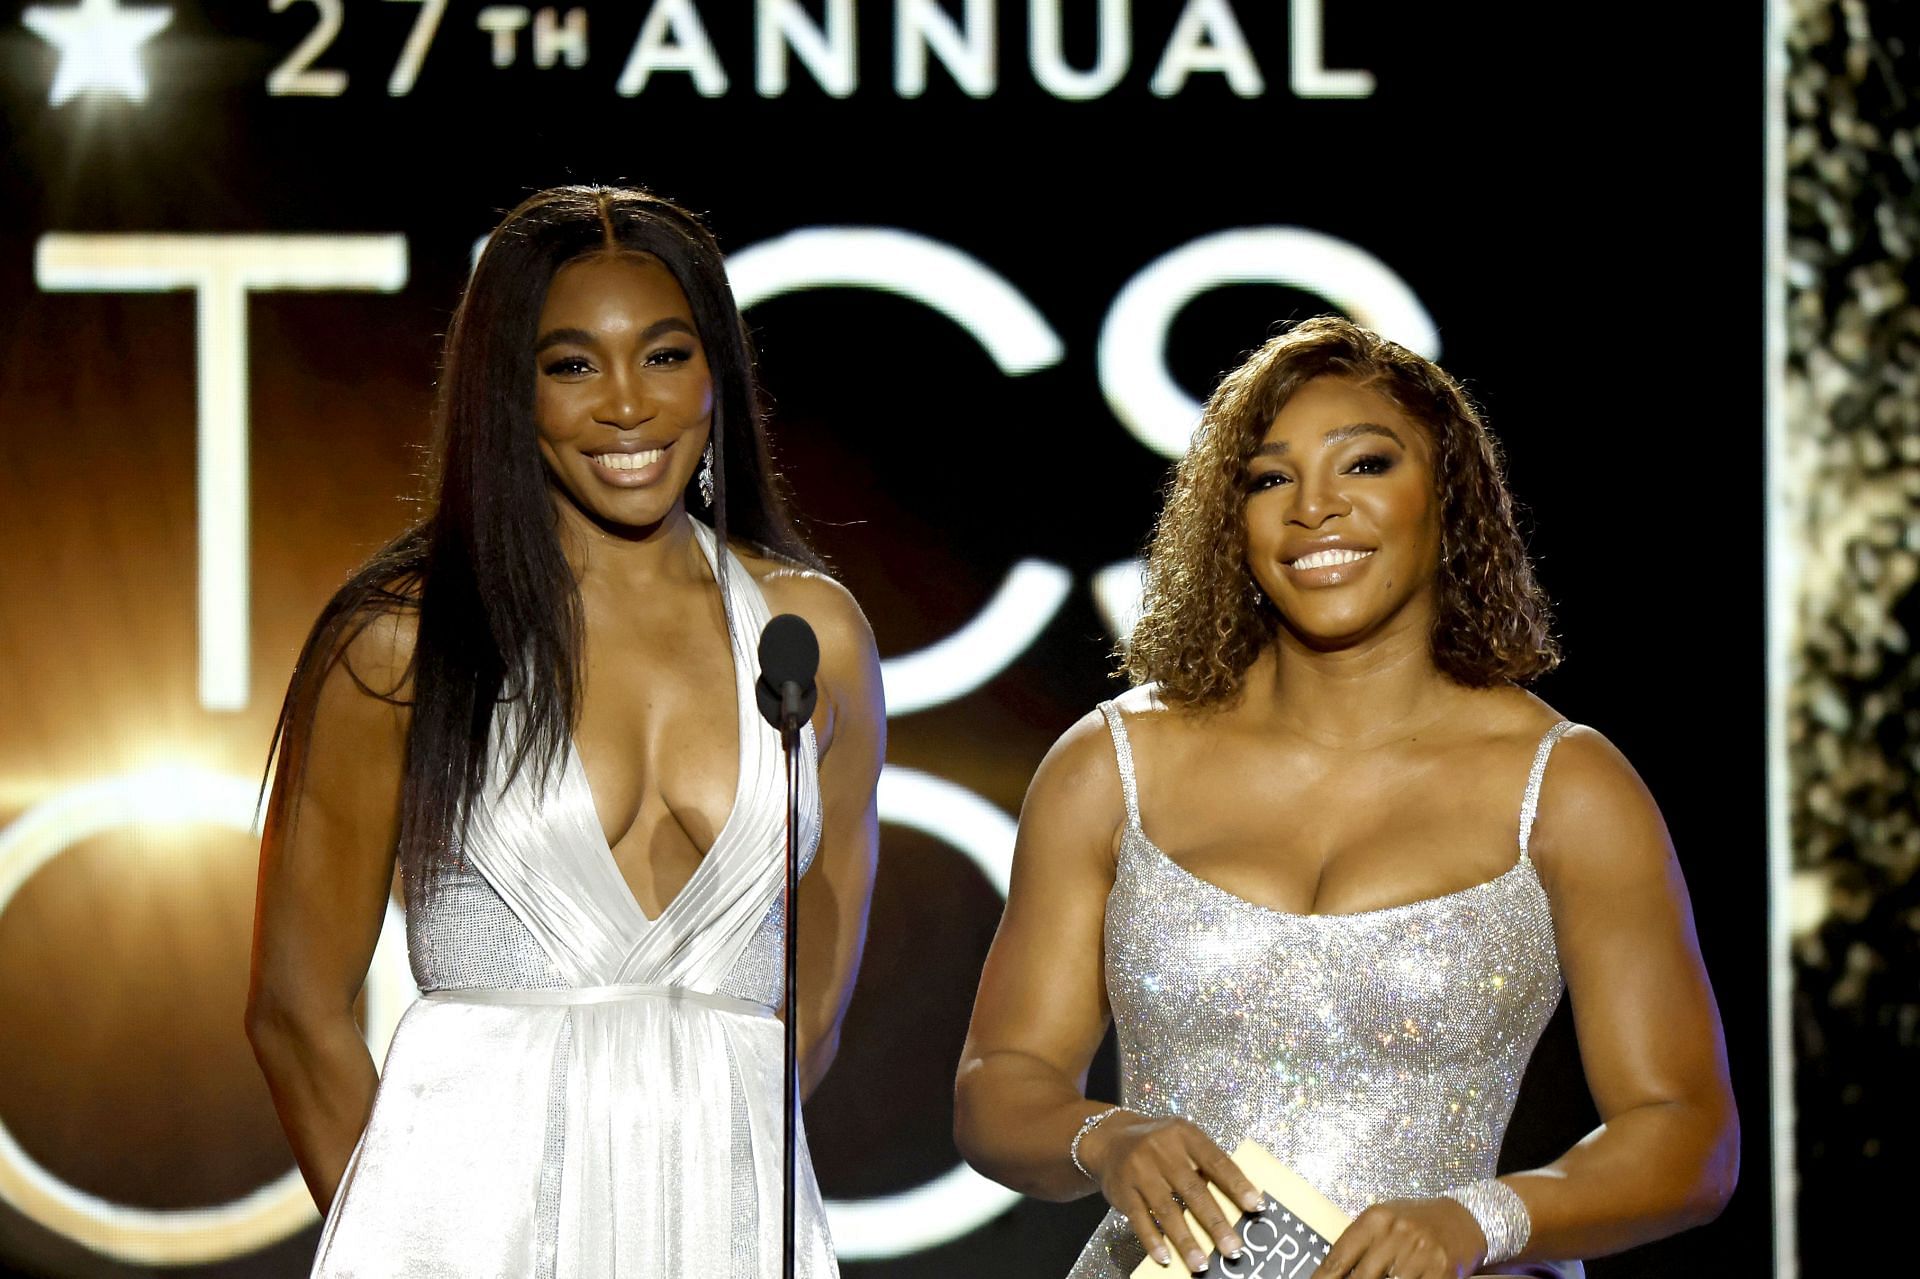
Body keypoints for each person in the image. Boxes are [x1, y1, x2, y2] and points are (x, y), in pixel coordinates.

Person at [954, 316, 1738, 1279]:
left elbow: (1688, 1134)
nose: (1313, 508)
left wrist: (1474, 1220)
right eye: (1270, 478)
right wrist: (1107, 1138)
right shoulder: (1110, 766)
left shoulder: (1565, 787)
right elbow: (1000, 1085)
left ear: (1445, 497)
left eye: (1363, 465)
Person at [245, 186, 884, 1279]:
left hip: (729, 1226)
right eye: (573, 364)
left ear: (716, 378)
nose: (628, 406)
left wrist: (696, 1135)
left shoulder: (808, 633)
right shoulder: (401, 643)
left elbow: (809, 1007)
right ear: (511, 393)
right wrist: (413, 1237)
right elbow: (295, 1011)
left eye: (668, 356)